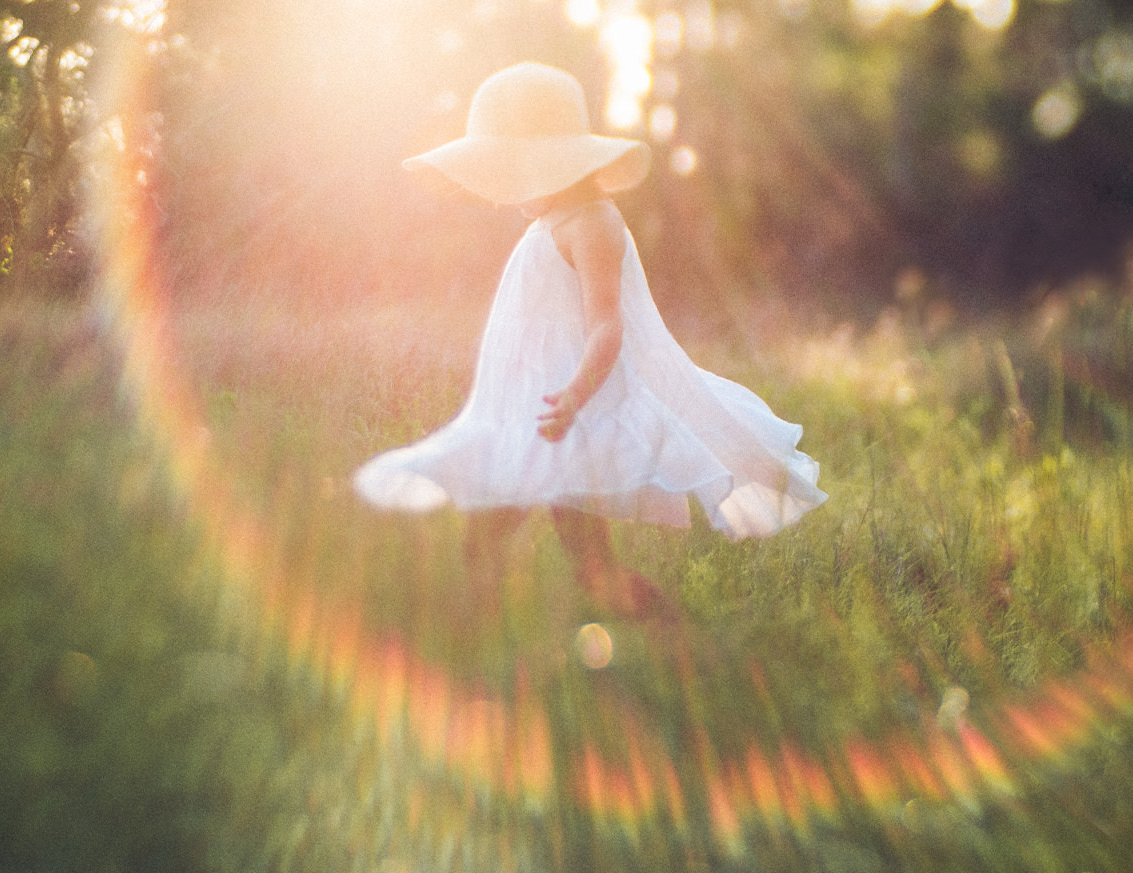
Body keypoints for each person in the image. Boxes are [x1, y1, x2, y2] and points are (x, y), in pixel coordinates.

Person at [353, 62, 826, 619]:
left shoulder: (591, 224)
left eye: (511, 176)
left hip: (567, 417)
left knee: (573, 557)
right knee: (499, 536)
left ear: (550, 165)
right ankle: (477, 623)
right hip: (530, 414)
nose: (504, 195)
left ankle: (662, 627)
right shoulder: (549, 221)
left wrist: (575, 396)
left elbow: (607, 325)